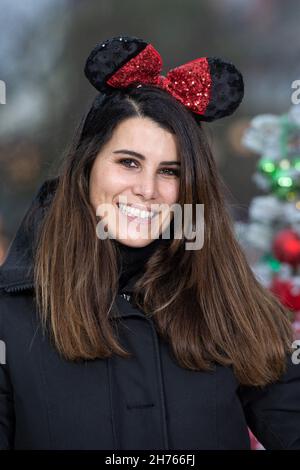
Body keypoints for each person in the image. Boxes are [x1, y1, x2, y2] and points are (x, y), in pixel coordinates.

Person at [0, 35, 299, 450]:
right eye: (128, 162)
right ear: (86, 169)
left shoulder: (227, 300)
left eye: (170, 171)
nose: (147, 189)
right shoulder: (11, 312)